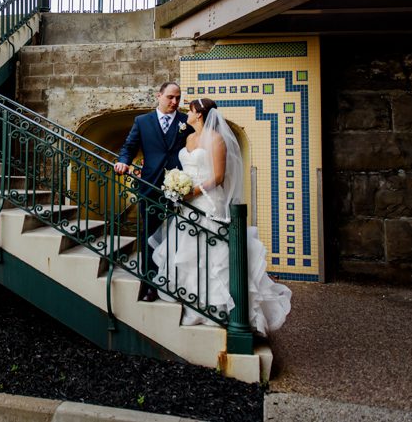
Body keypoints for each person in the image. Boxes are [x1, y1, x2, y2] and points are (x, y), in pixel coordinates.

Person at [150, 98, 291, 335]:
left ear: (200, 114)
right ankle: (190, 304)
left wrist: (190, 191)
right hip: (186, 204)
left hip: (206, 200)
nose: (188, 114)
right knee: (187, 252)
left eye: (191, 111)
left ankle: (214, 310)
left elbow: (218, 176)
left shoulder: (216, 140)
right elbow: (185, 169)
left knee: (210, 253)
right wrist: (177, 187)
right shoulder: (189, 138)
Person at [114, 81, 193, 302]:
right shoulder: (142, 121)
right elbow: (129, 146)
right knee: (149, 235)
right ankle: (149, 285)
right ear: (158, 96)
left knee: (179, 237)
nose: (175, 102)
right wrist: (123, 163)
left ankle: (175, 282)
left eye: (178, 98)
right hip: (150, 187)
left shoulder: (186, 121)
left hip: (180, 189)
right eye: (170, 97)